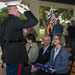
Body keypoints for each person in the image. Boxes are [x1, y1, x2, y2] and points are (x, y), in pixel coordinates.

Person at [0, 1, 38, 75]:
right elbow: (34, 21)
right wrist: (25, 11)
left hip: (9, 55)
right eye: (19, 9)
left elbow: (1, 39)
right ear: (16, 9)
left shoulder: (4, 22)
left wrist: (5, 51)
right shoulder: (15, 21)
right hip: (16, 55)